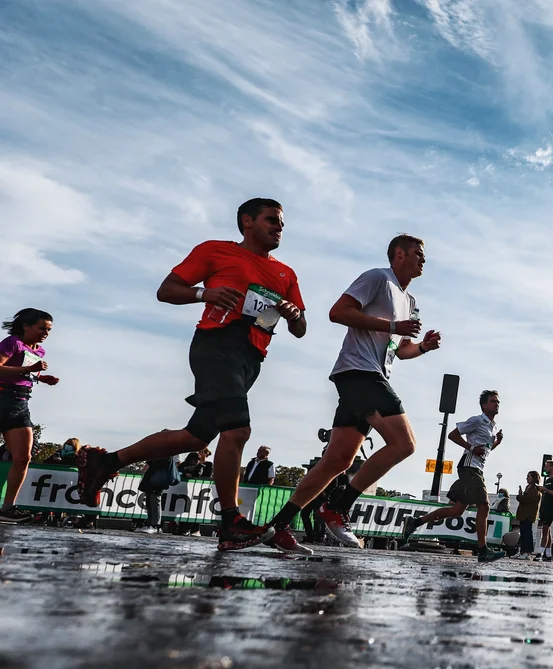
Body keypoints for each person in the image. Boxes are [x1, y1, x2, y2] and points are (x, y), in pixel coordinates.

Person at [76, 199, 306, 552]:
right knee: (238, 431)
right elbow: (166, 291)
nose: (279, 228)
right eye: (272, 220)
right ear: (247, 221)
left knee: (195, 438)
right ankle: (230, 522)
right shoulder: (215, 251)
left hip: (252, 356)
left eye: (281, 223)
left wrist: (292, 314)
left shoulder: (286, 273)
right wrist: (205, 293)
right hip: (216, 346)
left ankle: (106, 462)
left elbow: (301, 328)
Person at [262, 234, 441, 554]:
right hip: (359, 372)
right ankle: (337, 507)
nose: (423, 260)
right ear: (399, 254)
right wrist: (391, 327)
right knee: (404, 444)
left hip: (370, 373)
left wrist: (423, 348)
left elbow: (400, 351)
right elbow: (338, 312)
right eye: (418, 253)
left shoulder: (410, 302)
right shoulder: (378, 278)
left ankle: (278, 526)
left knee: (337, 460)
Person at [399, 391, 505, 562]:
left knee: (457, 510)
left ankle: (415, 523)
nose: (497, 404)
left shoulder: (492, 426)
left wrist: (496, 442)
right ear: (484, 405)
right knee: (484, 505)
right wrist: (471, 447)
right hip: (469, 467)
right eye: (493, 401)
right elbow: (453, 435)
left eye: (498, 402)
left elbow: (484, 450)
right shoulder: (477, 420)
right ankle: (483, 550)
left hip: (477, 469)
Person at [0, 309, 59, 523]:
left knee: (23, 458)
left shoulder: (39, 351)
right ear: (26, 326)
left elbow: (26, 372)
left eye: (49, 330)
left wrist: (42, 378)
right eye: (42, 328)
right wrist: (32, 369)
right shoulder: (12, 342)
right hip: (1, 398)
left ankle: (7, 509)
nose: (46, 333)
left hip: (20, 404)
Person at [535, 460, 553, 561]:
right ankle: (548, 554)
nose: (545, 468)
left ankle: (540, 553)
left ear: (552, 467)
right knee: (547, 530)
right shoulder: (547, 480)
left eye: (547, 466)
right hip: (544, 507)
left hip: (550, 508)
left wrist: (545, 490)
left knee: (545, 531)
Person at [512, 471, 541, 560]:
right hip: (524, 514)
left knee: (527, 533)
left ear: (533, 478)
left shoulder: (534, 489)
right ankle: (522, 551)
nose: (527, 478)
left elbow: (528, 499)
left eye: (529, 476)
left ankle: (527, 552)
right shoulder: (529, 487)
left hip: (528, 514)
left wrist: (519, 496)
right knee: (524, 533)